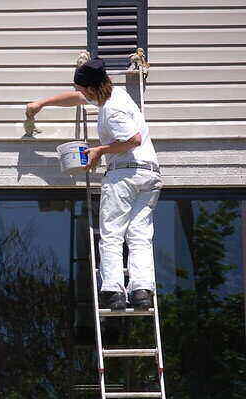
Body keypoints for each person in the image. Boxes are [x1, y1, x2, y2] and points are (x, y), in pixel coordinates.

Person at [25, 58, 161, 311]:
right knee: (140, 235)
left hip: (124, 175)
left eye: (82, 90)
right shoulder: (115, 94)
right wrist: (42, 103)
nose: (80, 94)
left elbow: (133, 139)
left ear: (90, 88)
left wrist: (100, 151)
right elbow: (74, 98)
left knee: (111, 234)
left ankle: (113, 291)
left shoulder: (112, 111)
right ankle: (142, 291)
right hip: (149, 175)